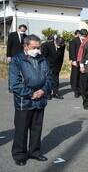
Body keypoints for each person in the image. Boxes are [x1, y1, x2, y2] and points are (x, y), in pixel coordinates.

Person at [9, 34, 52, 166]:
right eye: (34, 47)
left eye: (38, 48)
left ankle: (34, 151)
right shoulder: (17, 60)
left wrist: (43, 91)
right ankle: (20, 154)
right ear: (25, 46)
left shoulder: (43, 59)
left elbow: (50, 78)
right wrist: (31, 93)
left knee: (36, 128)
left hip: (40, 99)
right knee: (21, 130)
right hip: (24, 101)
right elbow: (14, 84)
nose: (37, 50)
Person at [6, 24, 27, 92]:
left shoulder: (25, 36)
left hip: (22, 56)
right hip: (13, 56)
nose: (23, 32)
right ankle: (11, 87)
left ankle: (19, 86)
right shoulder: (12, 35)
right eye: (22, 31)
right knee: (12, 72)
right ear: (19, 29)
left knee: (21, 72)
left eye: (24, 31)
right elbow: (9, 46)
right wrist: (8, 56)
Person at [69, 29, 88, 98]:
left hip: (84, 61)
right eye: (83, 36)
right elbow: (72, 50)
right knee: (75, 76)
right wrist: (73, 60)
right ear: (79, 34)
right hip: (76, 61)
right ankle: (76, 90)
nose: (84, 37)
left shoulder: (87, 41)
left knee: (82, 76)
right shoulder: (74, 41)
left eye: (85, 36)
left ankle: (81, 89)